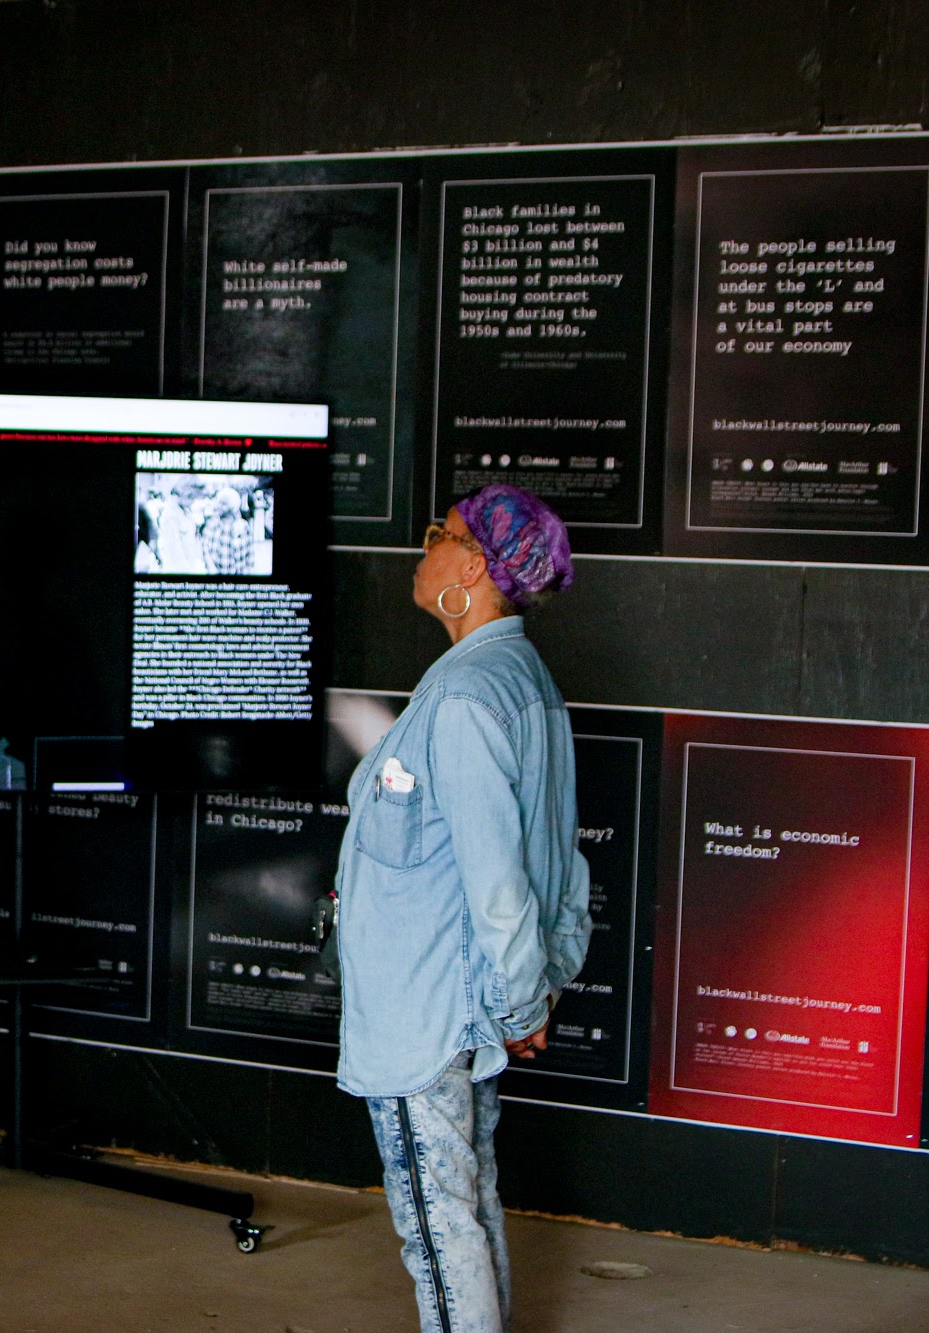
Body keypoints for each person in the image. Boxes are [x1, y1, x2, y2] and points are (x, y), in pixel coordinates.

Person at [333, 483, 590, 1333]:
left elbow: (501, 878)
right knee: (462, 1205)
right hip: (461, 1004)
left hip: (432, 1014)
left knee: (438, 1226)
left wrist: (522, 1001)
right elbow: (562, 863)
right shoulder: (516, 680)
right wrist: (533, 988)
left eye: (438, 534)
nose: (423, 546)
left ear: (473, 568)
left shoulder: (468, 697)